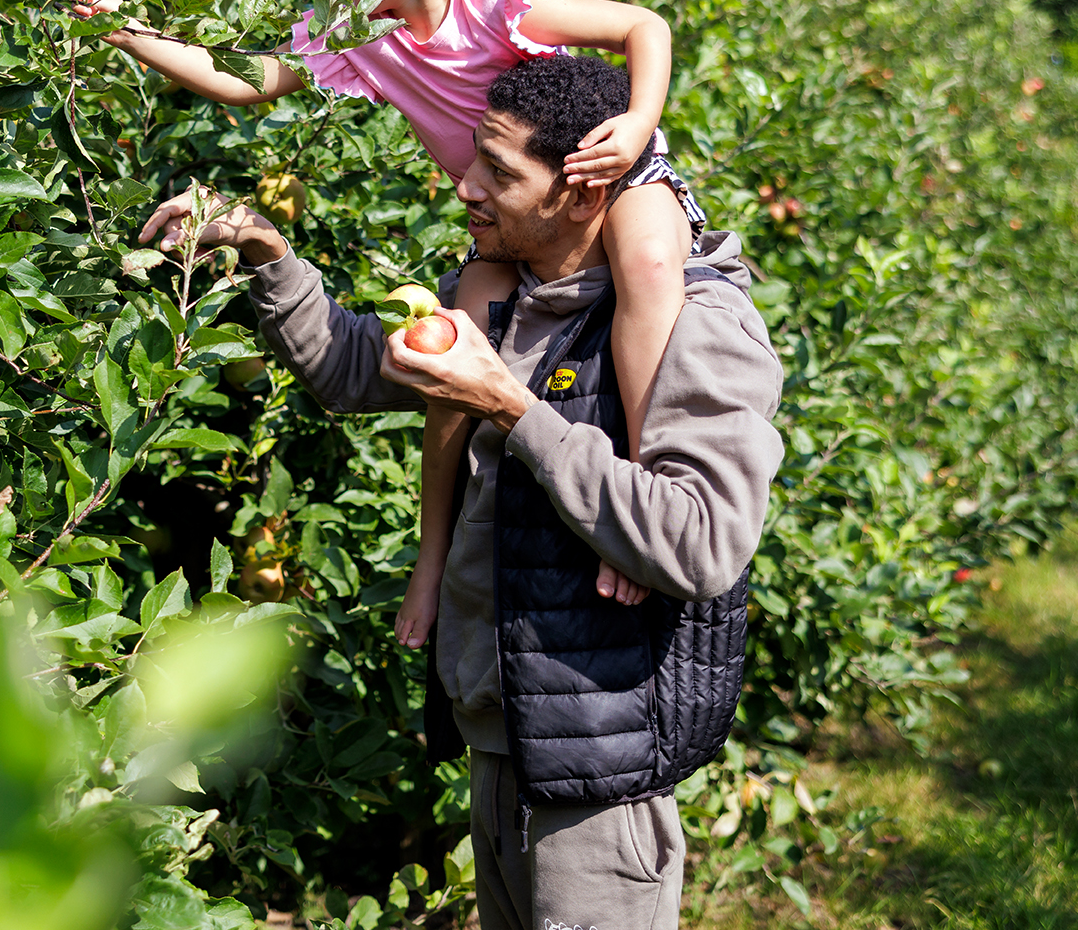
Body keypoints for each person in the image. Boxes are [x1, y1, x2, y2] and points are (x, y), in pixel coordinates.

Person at [136, 54, 783, 929]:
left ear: (584, 191)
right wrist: (261, 243)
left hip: (600, 768)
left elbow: (701, 540)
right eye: (474, 157)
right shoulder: (507, 301)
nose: (467, 186)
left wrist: (514, 410)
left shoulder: (698, 325)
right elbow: (351, 365)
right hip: (506, 743)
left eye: (501, 172)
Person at [74, 0, 706, 648]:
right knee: (451, 348)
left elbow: (644, 26)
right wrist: (126, 29)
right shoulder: (357, 34)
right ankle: (432, 554)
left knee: (653, 271)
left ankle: (642, 487)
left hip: (608, 173)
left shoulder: (500, 7)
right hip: (512, 226)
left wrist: (634, 125)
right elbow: (243, 78)